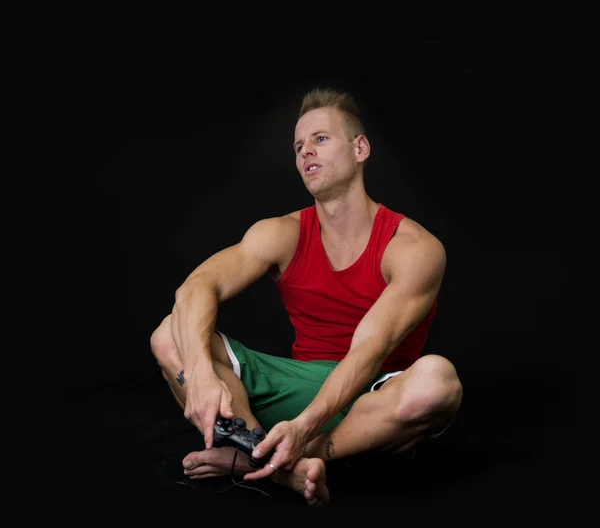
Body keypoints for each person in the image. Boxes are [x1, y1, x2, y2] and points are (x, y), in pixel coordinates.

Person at [150, 88, 463, 506]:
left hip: (372, 402)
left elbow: (368, 350)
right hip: (293, 393)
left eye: (320, 139)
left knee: (438, 382)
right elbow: (195, 286)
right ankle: (282, 468)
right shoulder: (281, 233)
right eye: (298, 146)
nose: (305, 153)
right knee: (170, 336)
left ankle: (254, 460)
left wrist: (303, 429)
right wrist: (202, 373)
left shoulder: (414, 247)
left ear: (360, 148)